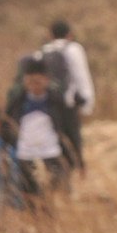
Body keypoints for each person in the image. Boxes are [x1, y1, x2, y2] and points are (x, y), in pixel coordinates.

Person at [35, 21, 95, 175]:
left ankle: (57, 169)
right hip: (68, 102)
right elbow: (81, 75)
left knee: (54, 136)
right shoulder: (74, 49)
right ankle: (78, 168)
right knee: (73, 135)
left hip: (49, 102)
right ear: (69, 34)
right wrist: (87, 102)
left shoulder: (42, 51)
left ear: (50, 34)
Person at [7, 66, 70, 199]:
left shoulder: (57, 102)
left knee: (51, 195)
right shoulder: (17, 101)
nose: (34, 85)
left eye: (38, 81)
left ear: (46, 80)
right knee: (28, 197)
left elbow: (70, 130)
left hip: (51, 154)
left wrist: (74, 159)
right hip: (25, 155)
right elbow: (7, 126)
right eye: (30, 81)